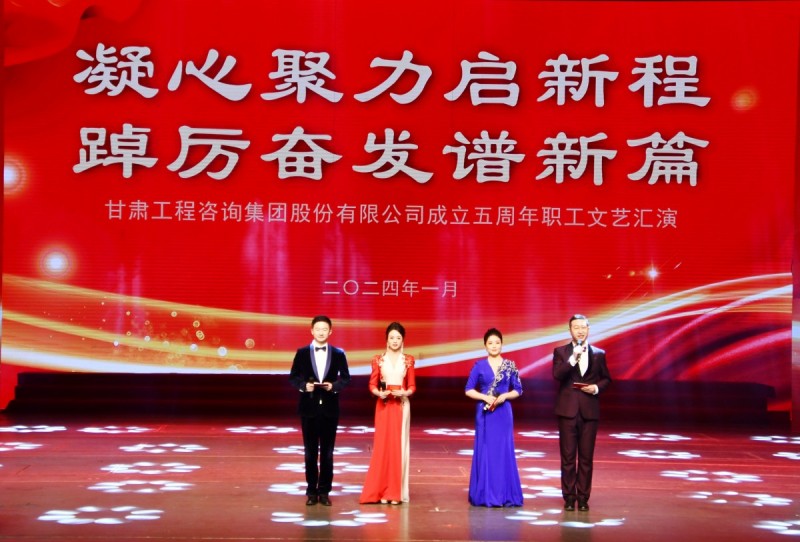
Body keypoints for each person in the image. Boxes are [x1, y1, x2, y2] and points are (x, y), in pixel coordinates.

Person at [288, 315, 351, 507]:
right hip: (309, 408)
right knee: (310, 453)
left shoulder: (338, 353)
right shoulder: (302, 353)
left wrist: (335, 386)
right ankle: (311, 491)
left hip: (330, 409)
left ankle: (324, 491)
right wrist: (303, 386)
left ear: (330, 331)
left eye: (325, 329)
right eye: (318, 329)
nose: (321, 332)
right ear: (312, 331)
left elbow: (346, 378)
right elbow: (293, 377)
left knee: (327, 453)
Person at [552, 314, 612, 512]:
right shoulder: (561, 352)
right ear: (570, 330)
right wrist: (572, 359)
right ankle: (569, 497)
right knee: (568, 457)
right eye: (576, 327)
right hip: (567, 411)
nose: (580, 331)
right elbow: (557, 375)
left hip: (589, 411)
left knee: (586, 458)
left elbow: (606, 378)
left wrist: (596, 388)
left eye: (583, 327)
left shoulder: (599, 353)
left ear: (588, 329)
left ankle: (583, 497)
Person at [464, 327, 523, 507]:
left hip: (503, 413)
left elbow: (518, 390)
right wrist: (484, 397)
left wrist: (505, 396)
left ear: (502, 344)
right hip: (485, 413)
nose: (494, 346)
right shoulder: (479, 366)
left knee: (503, 451)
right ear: (485, 345)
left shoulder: (510, 365)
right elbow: (468, 390)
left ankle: (504, 494)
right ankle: (485, 494)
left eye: (497, 342)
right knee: (486, 451)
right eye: (490, 343)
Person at [360, 322, 416, 504]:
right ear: (387, 339)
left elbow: (412, 386)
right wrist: (379, 393)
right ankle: (382, 490)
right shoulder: (378, 359)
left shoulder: (408, 360)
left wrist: (404, 392)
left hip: (400, 405)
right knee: (383, 446)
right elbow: (372, 384)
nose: (395, 341)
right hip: (383, 404)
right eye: (392, 337)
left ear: (403, 340)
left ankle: (395, 492)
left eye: (398, 338)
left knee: (398, 446)